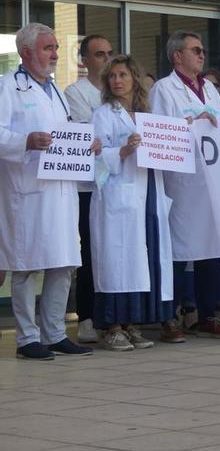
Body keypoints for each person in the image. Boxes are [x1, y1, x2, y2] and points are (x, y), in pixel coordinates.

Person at [0, 23, 98, 359]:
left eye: (56, 48)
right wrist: (23, 141)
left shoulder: (55, 90)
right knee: (26, 266)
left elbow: (65, 131)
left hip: (60, 191)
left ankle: (55, 332)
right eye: (48, 48)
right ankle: (27, 338)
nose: (55, 54)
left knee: (62, 263)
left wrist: (86, 142)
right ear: (27, 52)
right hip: (26, 192)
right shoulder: (7, 87)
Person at [90, 55, 181, 350]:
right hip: (117, 196)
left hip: (147, 194)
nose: (117, 81)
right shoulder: (103, 113)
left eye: (123, 76)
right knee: (117, 262)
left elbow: (168, 149)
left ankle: (132, 324)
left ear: (134, 80)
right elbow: (95, 158)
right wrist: (124, 151)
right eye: (113, 76)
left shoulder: (147, 114)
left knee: (142, 260)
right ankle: (112, 327)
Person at [149, 30, 220, 339]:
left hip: (210, 179)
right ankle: (169, 317)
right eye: (195, 50)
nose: (202, 55)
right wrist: (191, 123)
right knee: (177, 250)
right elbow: (160, 133)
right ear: (177, 56)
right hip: (181, 182)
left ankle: (208, 314)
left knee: (213, 246)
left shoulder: (211, 90)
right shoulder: (164, 89)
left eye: (201, 50)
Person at [63, 34, 114, 344]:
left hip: (119, 184)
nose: (106, 59)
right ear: (84, 60)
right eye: (99, 54)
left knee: (114, 249)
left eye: (110, 53)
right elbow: (89, 133)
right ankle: (86, 316)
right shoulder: (75, 92)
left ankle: (113, 315)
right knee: (90, 250)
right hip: (88, 186)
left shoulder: (122, 90)